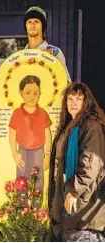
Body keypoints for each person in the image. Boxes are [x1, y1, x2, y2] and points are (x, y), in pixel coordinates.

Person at [48, 83, 105, 242]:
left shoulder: (91, 126)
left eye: (79, 99)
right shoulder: (67, 127)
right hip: (65, 209)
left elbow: (91, 165)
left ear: (87, 102)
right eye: (70, 99)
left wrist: (73, 190)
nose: (73, 102)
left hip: (83, 208)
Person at [9, 75, 52, 192]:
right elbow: (12, 135)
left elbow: (48, 135)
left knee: (38, 182)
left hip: (39, 152)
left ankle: (37, 210)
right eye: (28, 92)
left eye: (35, 93)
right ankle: (21, 209)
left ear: (40, 94)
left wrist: (47, 154)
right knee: (21, 180)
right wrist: (15, 153)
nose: (32, 97)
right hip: (22, 151)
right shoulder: (17, 113)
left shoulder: (43, 113)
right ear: (21, 93)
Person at [23, 6, 72, 82]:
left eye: (36, 21)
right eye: (29, 22)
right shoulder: (20, 55)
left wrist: (53, 64)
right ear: (25, 26)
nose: (32, 25)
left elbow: (68, 86)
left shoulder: (55, 52)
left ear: (43, 26)